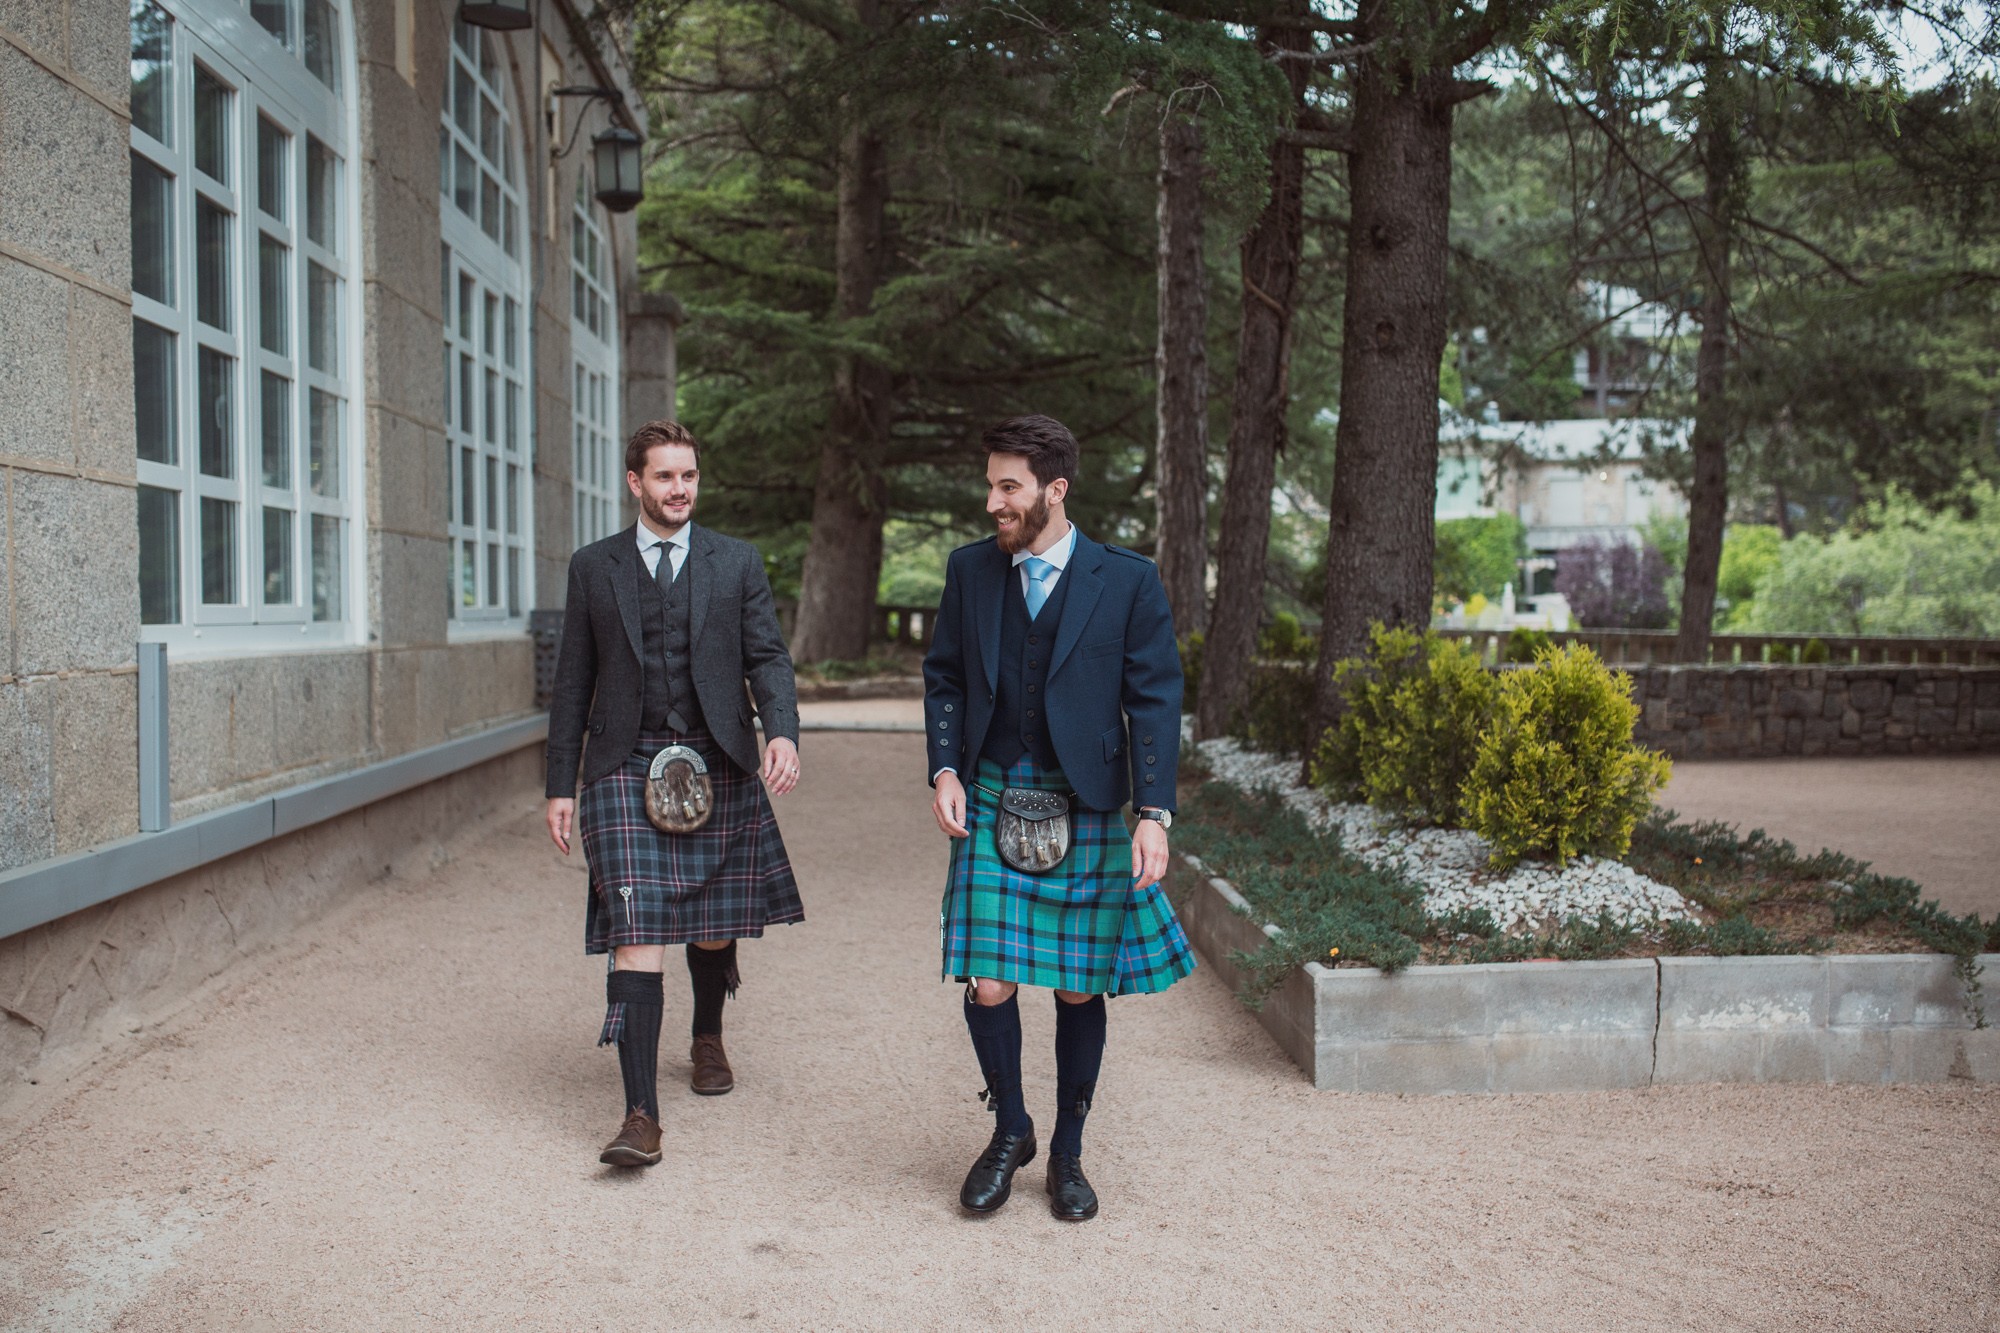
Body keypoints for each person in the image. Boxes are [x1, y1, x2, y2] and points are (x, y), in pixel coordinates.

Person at [923, 413, 1196, 1222]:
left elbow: (1155, 698)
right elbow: (943, 677)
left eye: (1009, 487)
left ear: (1055, 489)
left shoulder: (1128, 579)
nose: (993, 502)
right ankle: (1012, 1129)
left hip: (1086, 799)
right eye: (990, 485)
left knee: (1079, 987)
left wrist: (1154, 812)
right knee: (989, 977)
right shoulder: (971, 571)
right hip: (998, 787)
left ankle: (1069, 1152)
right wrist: (944, 766)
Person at [545, 418, 804, 1169]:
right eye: (665, 476)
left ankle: (708, 1033)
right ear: (635, 482)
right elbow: (572, 682)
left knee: (711, 922)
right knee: (639, 924)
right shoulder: (596, 567)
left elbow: (768, 656)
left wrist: (781, 730)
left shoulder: (737, 562)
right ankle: (640, 1113)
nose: (680, 488)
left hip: (717, 754)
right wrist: (561, 782)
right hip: (625, 760)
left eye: (688, 475)